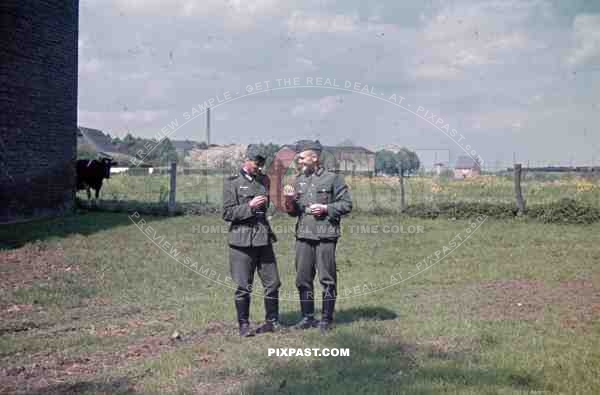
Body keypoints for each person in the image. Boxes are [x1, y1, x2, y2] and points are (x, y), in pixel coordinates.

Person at [283, 140, 353, 333]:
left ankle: (326, 320)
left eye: (302, 157)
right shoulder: (298, 180)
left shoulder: (333, 179)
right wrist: (289, 201)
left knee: (327, 279)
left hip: (325, 235)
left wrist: (326, 208)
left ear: (314, 158)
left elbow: (346, 205)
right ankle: (307, 318)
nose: (299, 161)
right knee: (302, 279)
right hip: (303, 235)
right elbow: (293, 212)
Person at [222, 146, 280, 337]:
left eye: (262, 164)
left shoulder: (264, 180)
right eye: (257, 163)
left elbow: (267, 207)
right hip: (241, 241)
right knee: (243, 286)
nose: (260, 167)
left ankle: (272, 322)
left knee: (273, 283)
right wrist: (249, 206)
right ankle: (244, 324)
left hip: (263, 239)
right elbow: (227, 213)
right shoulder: (232, 182)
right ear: (246, 160)